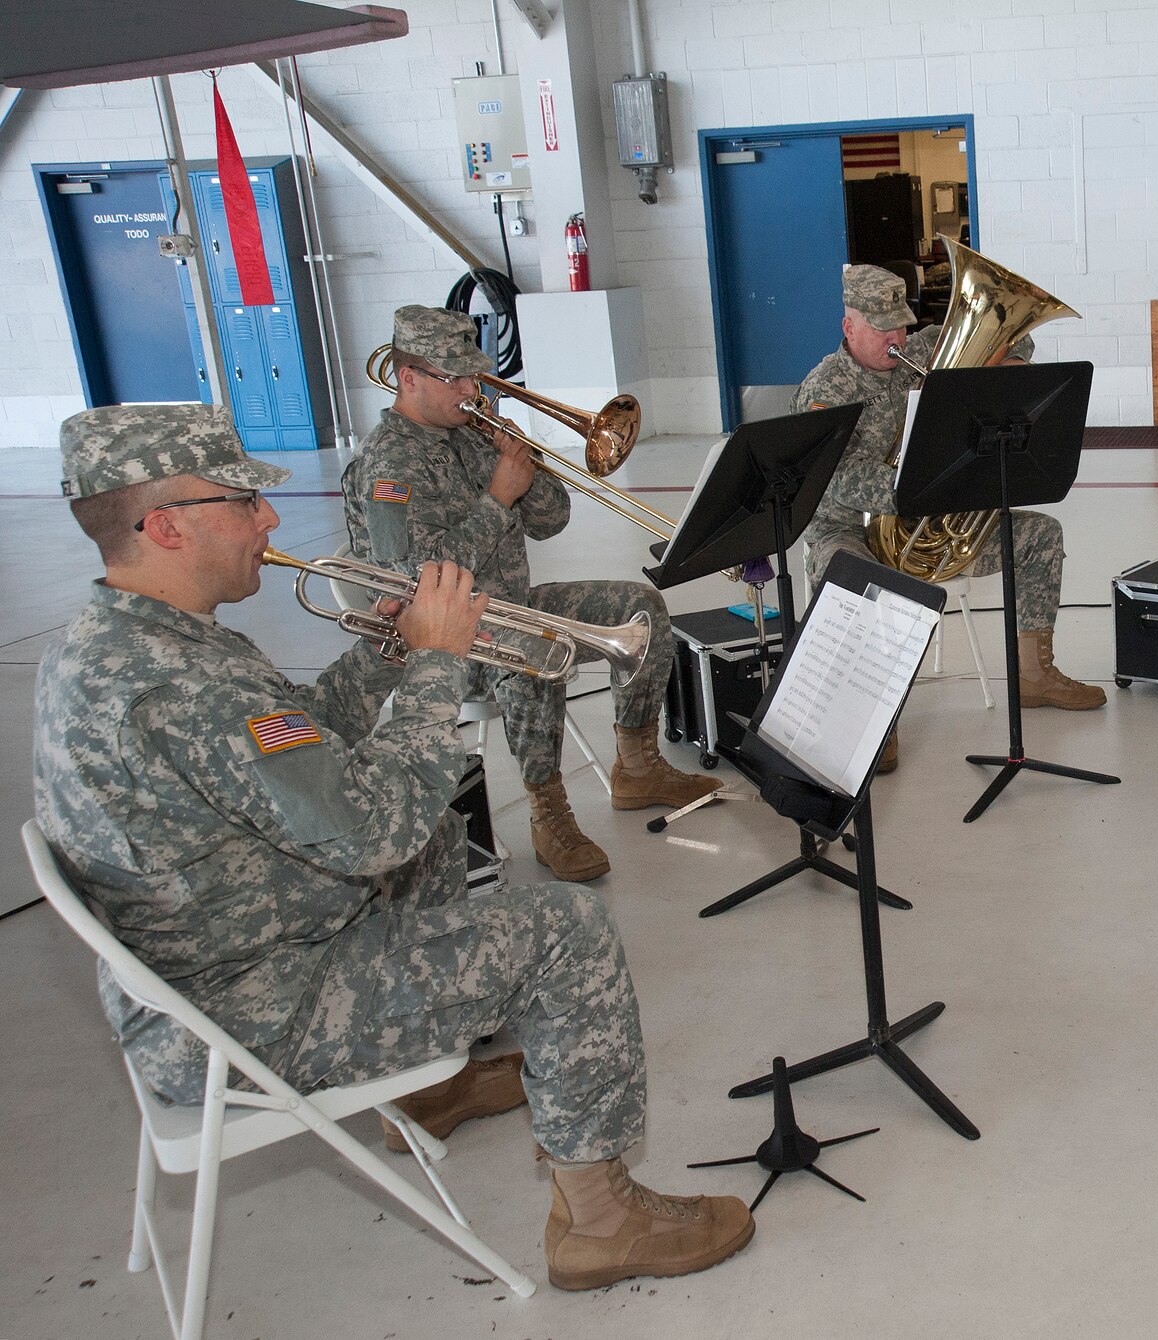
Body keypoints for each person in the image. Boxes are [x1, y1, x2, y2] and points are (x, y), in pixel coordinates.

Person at [34, 404, 753, 1290]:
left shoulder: (127, 643)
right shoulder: (180, 684)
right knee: (568, 930)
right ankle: (598, 1220)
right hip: (252, 1007)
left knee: (443, 832)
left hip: (205, 963)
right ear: (167, 526)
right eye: (243, 500)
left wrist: (385, 655)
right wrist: (439, 664)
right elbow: (375, 829)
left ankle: (426, 1086)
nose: (268, 518)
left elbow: (292, 745)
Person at [344, 306, 717, 883]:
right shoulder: (387, 464)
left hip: (512, 605)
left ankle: (638, 764)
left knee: (642, 609)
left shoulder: (468, 433)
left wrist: (522, 459)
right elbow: (415, 581)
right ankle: (549, 812)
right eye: (454, 379)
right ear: (406, 376)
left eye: (475, 375)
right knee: (535, 649)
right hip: (441, 641)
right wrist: (497, 498)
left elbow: (551, 521)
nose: (472, 391)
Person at [794, 264, 1104, 769]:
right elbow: (840, 477)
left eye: (900, 323)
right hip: (845, 526)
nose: (895, 337)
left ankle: (1034, 674)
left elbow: (1016, 342)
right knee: (863, 582)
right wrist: (927, 479)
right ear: (848, 326)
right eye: (880, 327)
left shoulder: (922, 351)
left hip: (923, 518)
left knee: (1041, 537)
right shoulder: (823, 389)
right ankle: (874, 718)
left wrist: (1005, 365)